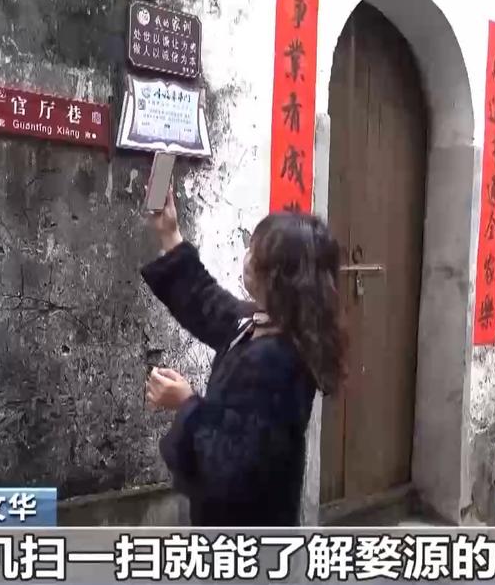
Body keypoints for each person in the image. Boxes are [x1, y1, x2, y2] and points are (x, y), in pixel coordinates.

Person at [140, 188, 345, 526]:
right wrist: (170, 233)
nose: (246, 257)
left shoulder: (278, 362)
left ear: (279, 276)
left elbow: (237, 466)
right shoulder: (262, 323)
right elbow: (206, 302)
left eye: (255, 251)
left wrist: (186, 403)